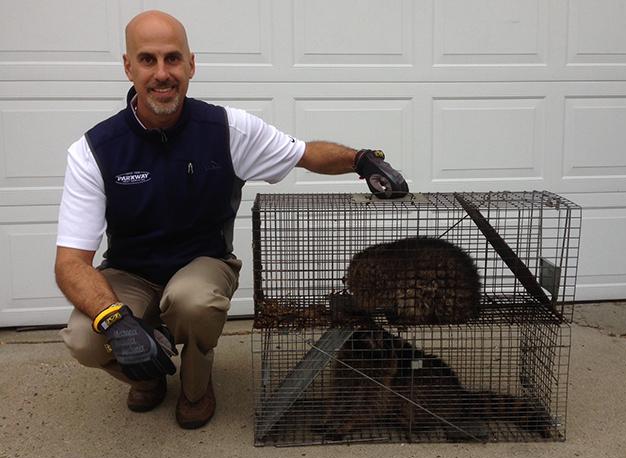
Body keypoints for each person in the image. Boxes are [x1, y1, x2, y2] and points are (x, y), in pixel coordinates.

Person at [54, 10, 408, 430]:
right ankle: (147, 373)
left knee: (194, 301)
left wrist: (361, 160)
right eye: (148, 60)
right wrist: (116, 321)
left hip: (203, 263)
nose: (162, 73)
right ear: (128, 66)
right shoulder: (94, 150)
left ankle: (196, 387)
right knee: (85, 338)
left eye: (173, 58)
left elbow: (304, 153)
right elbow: (70, 263)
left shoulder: (226, 129)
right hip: (130, 271)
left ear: (191, 64)